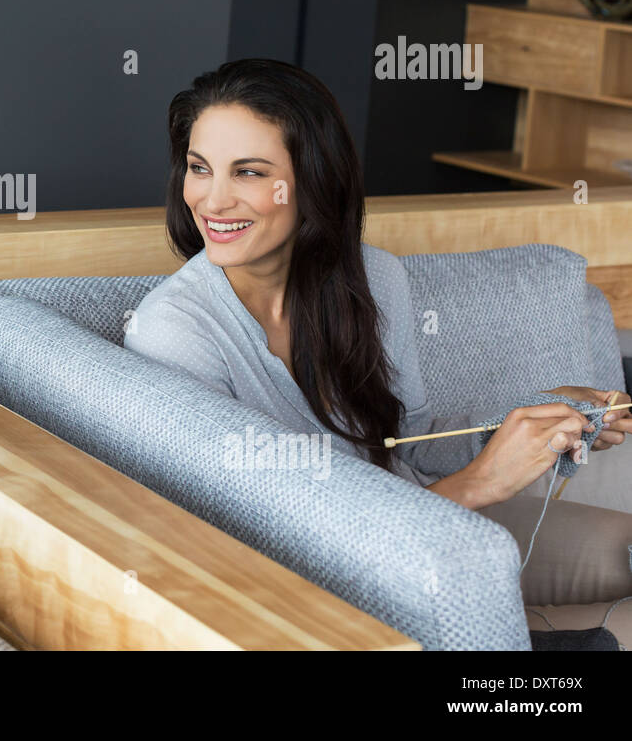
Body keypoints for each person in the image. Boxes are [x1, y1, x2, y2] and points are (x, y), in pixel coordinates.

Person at [124, 57, 632, 646]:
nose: (212, 200)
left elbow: (408, 438)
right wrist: (477, 484)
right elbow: (265, 542)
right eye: (198, 168)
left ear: (315, 180)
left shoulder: (374, 279)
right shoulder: (175, 333)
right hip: (338, 589)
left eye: (249, 173)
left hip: (429, 524)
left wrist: (533, 416)